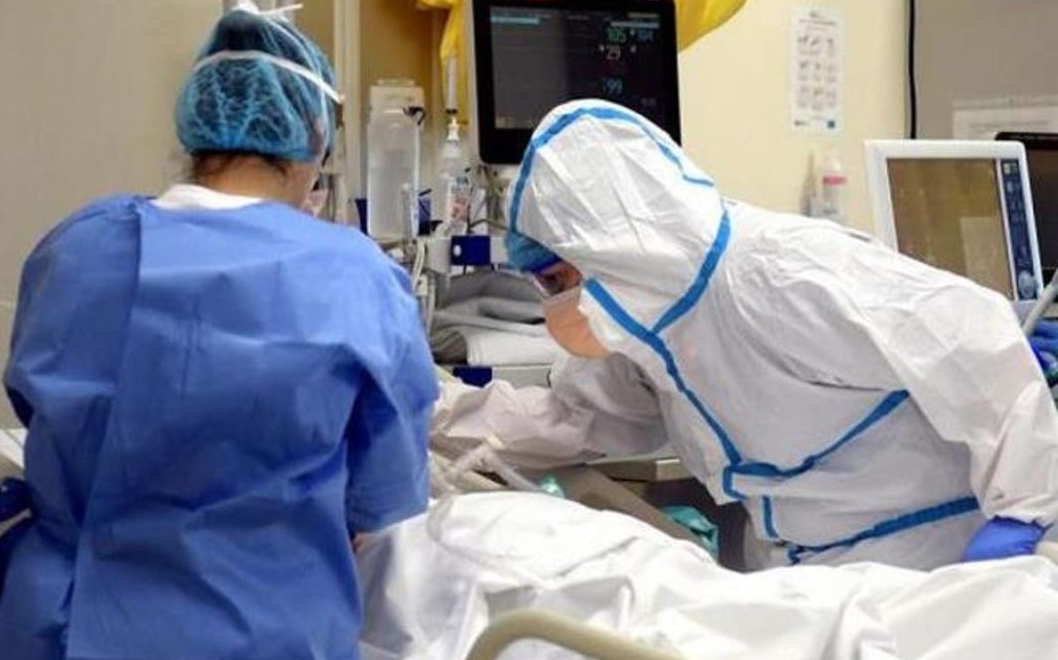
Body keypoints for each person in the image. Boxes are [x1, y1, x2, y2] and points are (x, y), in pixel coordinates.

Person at [0, 2, 436, 660]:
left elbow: (40, 412)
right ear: (312, 143)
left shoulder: (77, 249)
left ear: (196, 126)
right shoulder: (354, 277)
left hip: (59, 648)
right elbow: (383, 515)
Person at [433, 99, 1058, 570]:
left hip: (935, 564)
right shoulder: (649, 325)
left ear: (609, 250)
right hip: (813, 581)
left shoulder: (779, 274)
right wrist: (428, 410)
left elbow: (974, 338)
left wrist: (1024, 515)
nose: (556, 302)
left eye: (557, 279)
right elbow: (580, 421)